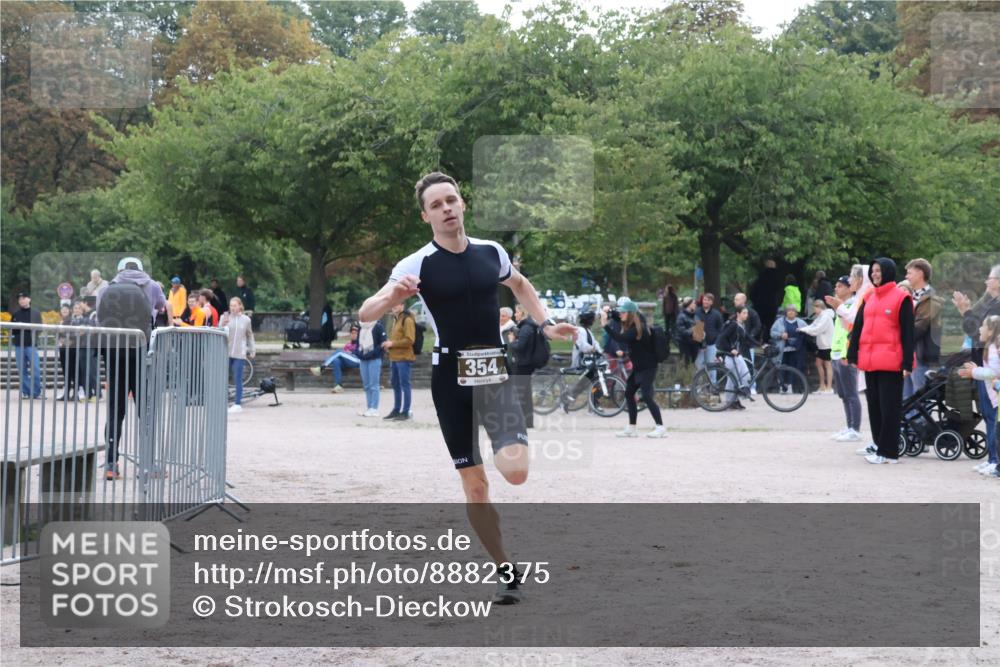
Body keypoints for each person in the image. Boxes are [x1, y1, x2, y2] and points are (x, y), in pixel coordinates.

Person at [358, 171, 575, 605]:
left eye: (451, 200)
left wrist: (545, 324)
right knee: (475, 487)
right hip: (450, 383)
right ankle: (504, 568)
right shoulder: (416, 264)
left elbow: (520, 284)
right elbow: (367, 312)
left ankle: (503, 448)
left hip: (495, 377)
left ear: (463, 204)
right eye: (437, 205)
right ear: (426, 216)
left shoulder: (490, 252)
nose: (447, 209)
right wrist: (392, 297)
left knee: (515, 472)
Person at [95, 257, 170, 480]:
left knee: (115, 409)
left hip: (114, 351)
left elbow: (99, 317)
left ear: (118, 270)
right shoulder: (153, 285)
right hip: (142, 350)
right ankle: (147, 464)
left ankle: (111, 463)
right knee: (145, 408)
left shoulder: (107, 288)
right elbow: (162, 306)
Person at [847, 257, 915, 465]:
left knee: (889, 409)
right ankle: (880, 447)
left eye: (879, 271)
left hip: (891, 362)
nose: (875, 274)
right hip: (870, 361)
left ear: (888, 271)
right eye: (873, 271)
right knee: (874, 407)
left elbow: (908, 333)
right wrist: (852, 353)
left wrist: (906, 363)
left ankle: (890, 452)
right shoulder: (869, 297)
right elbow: (858, 327)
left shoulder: (901, 298)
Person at [952, 264, 1000, 459]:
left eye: (989, 278)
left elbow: (979, 334)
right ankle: (992, 459)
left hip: (991, 366)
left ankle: (995, 460)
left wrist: (966, 312)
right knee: (989, 416)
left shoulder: (997, 306)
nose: (986, 281)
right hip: (984, 363)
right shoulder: (992, 303)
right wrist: (966, 312)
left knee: (992, 416)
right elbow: (976, 330)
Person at [602, 300, 665, 437]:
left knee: (647, 396)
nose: (620, 314)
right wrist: (609, 311)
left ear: (630, 314)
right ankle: (632, 428)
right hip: (639, 367)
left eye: (623, 312)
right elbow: (618, 316)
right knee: (629, 393)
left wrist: (605, 325)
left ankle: (660, 428)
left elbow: (620, 338)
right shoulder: (633, 322)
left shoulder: (637, 328)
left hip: (648, 367)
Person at [959, 315, 1000, 476]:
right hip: (994, 394)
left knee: (995, 428)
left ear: (990, 331)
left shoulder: (992, 349)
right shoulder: (989, 347)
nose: (980, 329)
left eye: (983, 326)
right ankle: (993, 460)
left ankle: (995, 460)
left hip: (995, 395)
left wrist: (975, 372)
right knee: (992, 426)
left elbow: (994, 373)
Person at [827, 276, 863, 442]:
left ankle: (855, 428)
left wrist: (847, 353)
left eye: (840, 286)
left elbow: (851, 330)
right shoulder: (841, 307)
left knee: (851, 393)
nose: (837, 289)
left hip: (846, 353)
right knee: (843, 393)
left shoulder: (853, 306)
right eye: (836, 286)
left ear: (850, 289)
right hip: (836, 352)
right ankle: (849, 426)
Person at [903, 258, 942, 397]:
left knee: (918, 398)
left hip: (920, 355)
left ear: (920, 274)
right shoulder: (909, 297)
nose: (906, 277)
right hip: (907, 352)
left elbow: (920, 327)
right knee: (905, 397)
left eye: (909, 273)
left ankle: (920, 420)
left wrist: (898, 337)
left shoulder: (932, 300)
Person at [714, 306, 759, 410]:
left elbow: (748, 337)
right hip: (729, 355)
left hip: (737, 355)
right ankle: (731, 401)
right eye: (744, 313)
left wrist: (761, 345)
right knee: (732, 378)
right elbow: (722, 338)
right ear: (738, 314)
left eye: (747, 313)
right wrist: (730, 349)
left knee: (745, 375)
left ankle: (736, 398)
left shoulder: (741, 325)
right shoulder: (733, 325)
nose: (746, 315)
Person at [506, 304, 541, 428]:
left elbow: (520, 346)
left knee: (519, 394)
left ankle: (518, 422)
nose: (515, 314)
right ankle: (528, 422)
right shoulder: (529, 326)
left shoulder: (526, 328)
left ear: (523, 313)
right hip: (525, 364)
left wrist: (511, 341)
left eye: (517, 312)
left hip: (523, 364)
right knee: (525, 394)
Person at [220, 297, 255, 414]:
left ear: (240, 306)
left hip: (239, 353)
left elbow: (250, 335)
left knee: (237, 378)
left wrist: (252, 349)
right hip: (226, 352)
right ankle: (223, 402)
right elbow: (218, 332)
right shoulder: (225, 318)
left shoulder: (246, 320)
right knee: (223, 378)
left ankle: (237, 404)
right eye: (231, 306)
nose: (233, 308)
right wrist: (221, 324)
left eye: (235, 306)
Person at [382, 303, 416, 421]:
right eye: (393, 303)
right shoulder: (395, 319)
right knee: (395, 384)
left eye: (397, 303)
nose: (394, 305)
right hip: (394, 357)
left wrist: (392, 344)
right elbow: (397, 339)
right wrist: (389, 343)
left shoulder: (407, 320)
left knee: (405, 385)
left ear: (403, 305)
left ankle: (405, 411)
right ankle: (396, 410)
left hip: (404, 358)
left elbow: (410, 340)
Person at [310, 324, 361, 392]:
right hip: (348, 362)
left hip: (358, 361)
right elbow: (344, 356)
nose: (353, 335)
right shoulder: (348, 345)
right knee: (336, 360)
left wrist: (350, 353)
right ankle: (339, 385)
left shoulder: (361, 343)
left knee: (339, 351)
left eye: (356, 333)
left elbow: (358, 353)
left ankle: (321, 368)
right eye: (352, 333)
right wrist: (347, 353)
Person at [798, 300, 835, 394]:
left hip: (827, 345)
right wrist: (802, 329)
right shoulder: (819, 317)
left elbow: (817, 330)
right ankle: (822, 386)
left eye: (814, 308)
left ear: (819, 307)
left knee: (828, 365)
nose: (813, 310)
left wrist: (804, 330)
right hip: (821, 345)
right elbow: (812, 326)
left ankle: (829, 388)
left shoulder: (826, 317)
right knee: (818, 363)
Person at [12, 291, 44, 399]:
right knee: (22, 370)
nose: (21, 300)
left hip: (31, 345)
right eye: (20, 299)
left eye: (24, 298)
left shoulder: (35, 313)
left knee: (36, 369)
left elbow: (39, 328)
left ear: (29, 299)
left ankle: (36, 392)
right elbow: (13, 330)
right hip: (18, 346)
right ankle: (26, 392)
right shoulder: (15, 314)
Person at [770, 304, 807, 392]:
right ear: (786, 312)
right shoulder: (779, 322)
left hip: (795, 349)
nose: (791, 312)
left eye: (793, 311)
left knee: (793, 368)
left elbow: (808, 331)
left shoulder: (801, 322)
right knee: (781, 368)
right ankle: (782, 386)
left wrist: (801, 332)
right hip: (782, 349)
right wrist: (780, 335)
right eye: (789, 310)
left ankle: (790, 386)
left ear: (796, 313)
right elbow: (772, 333)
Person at [356, 319, 386, 417]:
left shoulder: (378, 326)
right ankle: (369, 407)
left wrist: (371, 353)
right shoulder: (361, 327)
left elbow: (382, 344)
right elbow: (357, 343)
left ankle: (374, 408)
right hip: (363, 359)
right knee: (367, 385)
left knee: (374, 384)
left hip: (374, 359)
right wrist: (359, 353)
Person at [750, 259, 782, 335]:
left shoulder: (759, 278)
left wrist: (756, 301)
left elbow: (752, 294)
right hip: (772, 305)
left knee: (758, 324)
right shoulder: (778, 278)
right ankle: (767, 340)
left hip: (759, 305)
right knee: (770, 325)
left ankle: (757, 340)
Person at [694, 293, 724, 372]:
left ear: (712, 302)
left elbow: (721, 329)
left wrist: (716, 340)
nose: (706, 302)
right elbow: (695, 327)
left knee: (712, 368)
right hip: (699, 346)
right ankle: (698, 384)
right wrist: (699, 342)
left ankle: (712, 384)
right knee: (698, 366)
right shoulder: (697, 312)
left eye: (708, 300)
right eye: (704, 300)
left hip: (712, 345)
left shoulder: (716, 314)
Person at [674, 296, 699, 365]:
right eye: (694, 303)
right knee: (685, 364)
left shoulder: (696, 316)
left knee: (692, 364)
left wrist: (703, 341)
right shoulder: (681, 316)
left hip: (695, 345)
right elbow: (681, 331)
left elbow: (699, 331)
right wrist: (692, 331)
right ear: (689, 304)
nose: (695, 305)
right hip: (685, 344)